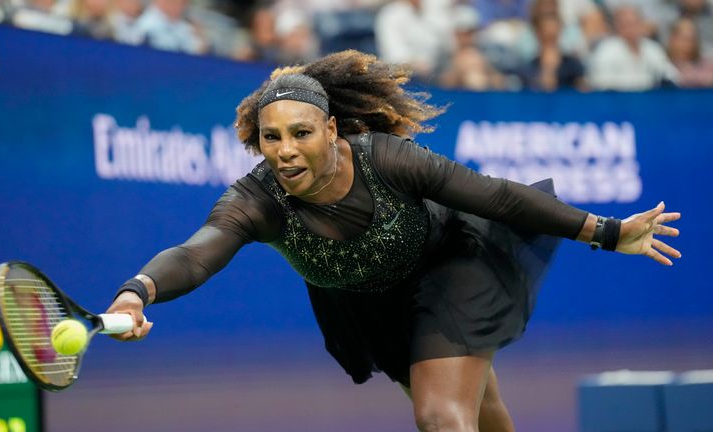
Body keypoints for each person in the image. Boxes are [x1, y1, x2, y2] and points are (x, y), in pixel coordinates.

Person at [105, 50, 681, 431]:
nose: (283, 150)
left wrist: (607, 232)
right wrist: (138, 292)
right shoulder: (256, 201)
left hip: (450, 269)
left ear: (331, 130)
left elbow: (498, 197)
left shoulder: (388, 160)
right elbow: (196, 253)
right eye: (270, 137)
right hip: (371, 305)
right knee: (481, 410)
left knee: (440, 416)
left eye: (300, 133)